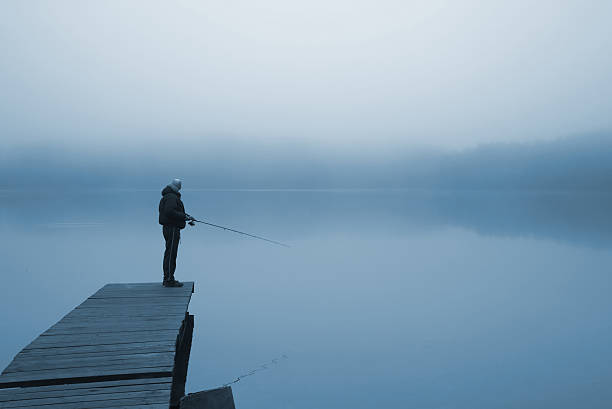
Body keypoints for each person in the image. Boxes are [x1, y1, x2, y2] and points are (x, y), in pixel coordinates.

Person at [158, 179, 194, 287]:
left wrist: (186, 216)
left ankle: (168, 278)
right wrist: (183, 216)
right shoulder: (171, 197)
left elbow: (173, 211)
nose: (180, 187)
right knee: (171, 254)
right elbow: (170, 212)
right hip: (172, 228)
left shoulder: (169, 196)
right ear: (177, 187)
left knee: (170, 253)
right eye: (180, 185)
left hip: (170, 228)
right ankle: (169, 280)